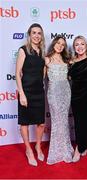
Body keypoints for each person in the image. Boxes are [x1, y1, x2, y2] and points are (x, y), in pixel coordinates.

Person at [16, 23, 46, 166]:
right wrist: (21, 93)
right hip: (26, 91)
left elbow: (43, 73)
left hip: (39, 91)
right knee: (25, 122)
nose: (36, 35)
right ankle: (28, 149)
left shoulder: (42, 52)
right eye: (33, 33)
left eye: (39, 33)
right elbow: (17, 74)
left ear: (41, 36)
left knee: (40, 123)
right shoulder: (23, 50)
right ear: (29, 35)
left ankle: (38, 146)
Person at [45, 36, 74, 165]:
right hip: (54, 93)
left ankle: (65, 149)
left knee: (64, 120)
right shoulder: (46, 59)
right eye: (58, 43)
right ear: (54, 43)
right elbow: (41, 78)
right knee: (57, 121)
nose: (60, 46)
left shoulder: (66, 60)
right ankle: (56, 151)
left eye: (63, 44)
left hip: (66, 92)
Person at [68, 35, 87, 162]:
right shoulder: (71, 63)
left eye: (82, 44)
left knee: (86, 122)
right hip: (75, 97)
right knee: (78, 123)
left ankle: (81, 147)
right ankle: (81, 147)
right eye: (77, 45)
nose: (79, 47)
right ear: (74, 47)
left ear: (86, 46)